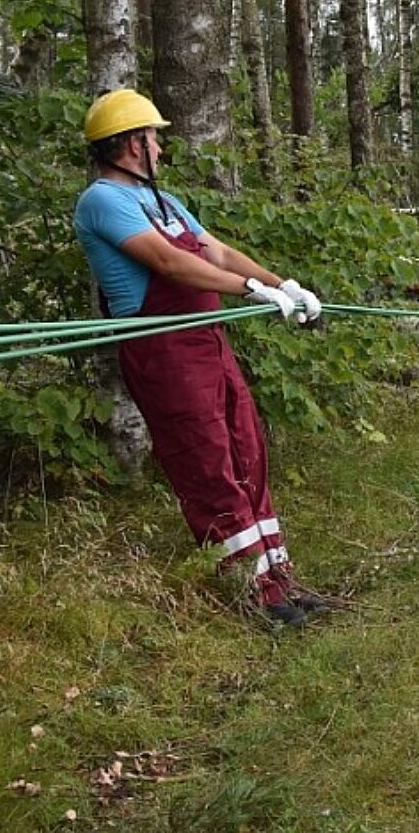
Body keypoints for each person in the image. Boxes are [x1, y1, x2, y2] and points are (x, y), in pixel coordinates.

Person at [74, 89, 324, 630]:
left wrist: (285, 284)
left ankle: (278, 582)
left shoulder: (162, 202)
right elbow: (169, 264)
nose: (161, 148)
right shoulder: (103, 200)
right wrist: (249, 290)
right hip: (161, 346)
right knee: (206, 459)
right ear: (131, 144)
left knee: (245, 447)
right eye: (154, 137)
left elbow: (215, 251)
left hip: (205, 339)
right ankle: (247, 594)